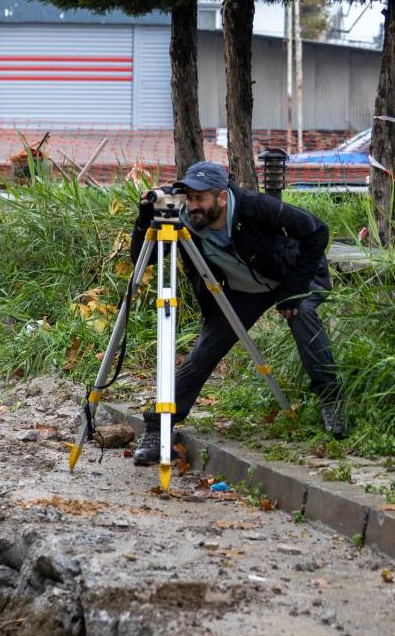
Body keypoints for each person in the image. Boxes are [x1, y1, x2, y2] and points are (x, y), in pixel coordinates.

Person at [131, 160, 345, 466]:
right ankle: (160, 426)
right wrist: (145, 217)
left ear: (221, 197)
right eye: (189, 197)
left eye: (200, 199)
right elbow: (143, 258)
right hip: (245, 288)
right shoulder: (182, 216)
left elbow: (317, 231)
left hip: (293, 274)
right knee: (204, 352)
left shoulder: (255, 207)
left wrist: (294, 287)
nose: (193, 206)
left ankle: (331, 399)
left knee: (302, 315)